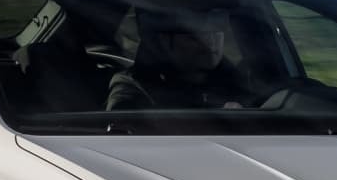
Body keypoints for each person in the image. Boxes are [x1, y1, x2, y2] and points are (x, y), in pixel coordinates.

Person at [104, 7, 254, 112]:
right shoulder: (133, 85)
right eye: (195, 36)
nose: (210, 41)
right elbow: (124, 129)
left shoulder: (238, 82)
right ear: (164, 42)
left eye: (216, 32)